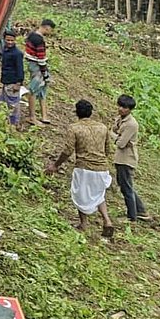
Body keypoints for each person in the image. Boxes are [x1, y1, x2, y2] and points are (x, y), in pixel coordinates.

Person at [47, 99, 115, 238]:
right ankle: (107, 220)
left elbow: (68, 150)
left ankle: (83, 223)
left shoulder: (74, 128)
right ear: (91, 112)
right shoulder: (102, 127)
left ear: (76, 112)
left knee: (81, 195)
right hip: (102, 168)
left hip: (84, 167)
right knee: (98, 194)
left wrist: (56, 165)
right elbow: (108, 149)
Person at [113, 94, 150, 223]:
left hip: (126, 159)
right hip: (120, 158)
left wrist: (115, 136)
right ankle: (141, 211)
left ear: (130, 109)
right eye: (120, 106)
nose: (121, 109)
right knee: (126, 186)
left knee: (126, 187)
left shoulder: (131, 124)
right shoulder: (120, 119)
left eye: (124, 107)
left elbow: (120, 143)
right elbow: (115, 132)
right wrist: (117, 135)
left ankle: (131, 216)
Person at [25, 18, 56, 126]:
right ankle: (31, 117)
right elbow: (41, 58)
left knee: (43, 88)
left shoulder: (31, 35)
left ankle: (44, 115)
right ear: (46, 28)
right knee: (33, 90)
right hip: (37, 66)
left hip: (32, 63)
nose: (50, 33)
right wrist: (45, 73)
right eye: (50, 30)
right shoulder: (39, 40)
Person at [0, 29, 25, 127]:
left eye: (12, 40)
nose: (9, 42)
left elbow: (20, 69)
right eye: (8, 40)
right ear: (4, 39)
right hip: (6, 81)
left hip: (13, 82)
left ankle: (14, 124)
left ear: (15, 40)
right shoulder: (5, 50)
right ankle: (4, 121)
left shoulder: (17, 54)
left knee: (13, 104)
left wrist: (18, 83)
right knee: (3, 102)